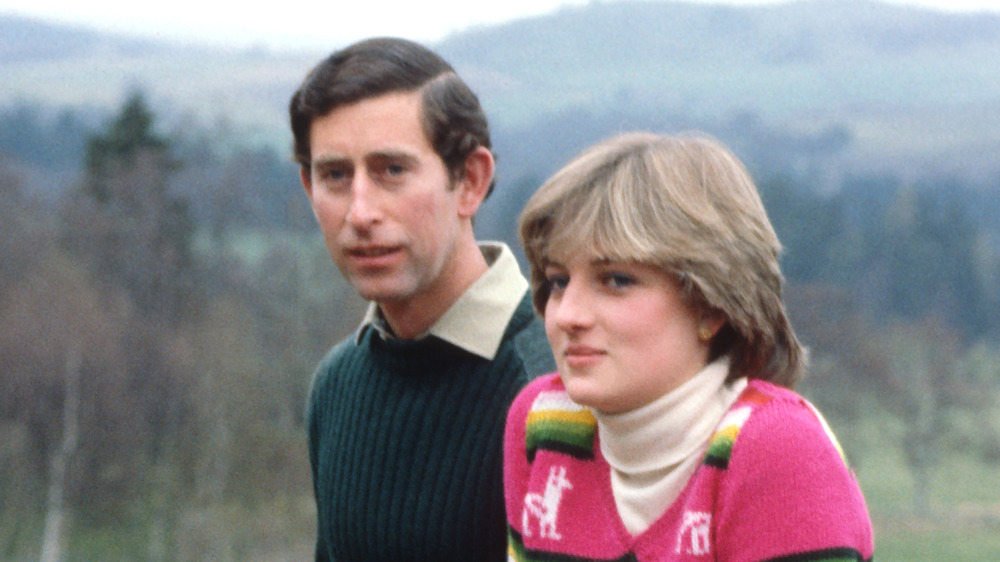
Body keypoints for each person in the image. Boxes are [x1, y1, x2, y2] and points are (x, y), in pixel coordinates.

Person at [505, 132, 874, 561]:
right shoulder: (543, 422)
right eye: (558, 281)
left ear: (710, 306)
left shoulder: (778, 450)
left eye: (616, 281)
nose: (568, 314)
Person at [290, 37, 555, 561]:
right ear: (307, 185)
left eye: (392, 170)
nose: (360, 212)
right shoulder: (337, 384)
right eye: (335, 175)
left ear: (471, 181)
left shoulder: (559, 391)